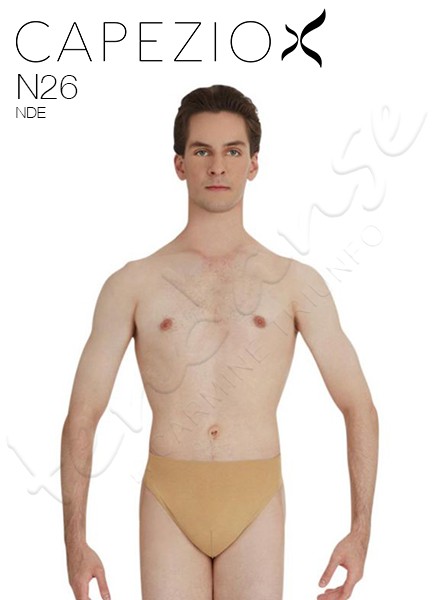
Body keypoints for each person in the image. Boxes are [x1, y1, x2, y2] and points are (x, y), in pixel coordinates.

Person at [60, 84, 379, 600]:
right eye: (201, 151)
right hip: (169, 498)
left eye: (232, 152)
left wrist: (360, 534)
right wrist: (75, 544)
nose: (217, 167)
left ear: (253, 164)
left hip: (255, 497)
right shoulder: (133, 284)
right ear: (179, 164)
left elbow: (358, 405)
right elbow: (83, 414)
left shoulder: (295, 283)